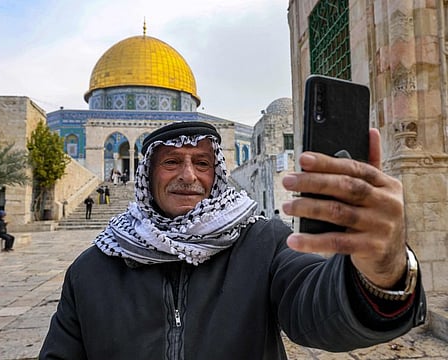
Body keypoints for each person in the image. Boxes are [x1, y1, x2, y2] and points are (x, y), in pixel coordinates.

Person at [40, 121, 426, 359]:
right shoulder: (93, 270)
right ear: (147, 174)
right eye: (172, 161)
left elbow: (318, 312)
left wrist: (383, 269)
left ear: (218, 172)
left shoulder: (263, 243)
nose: (188, 176)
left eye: (202, 163)